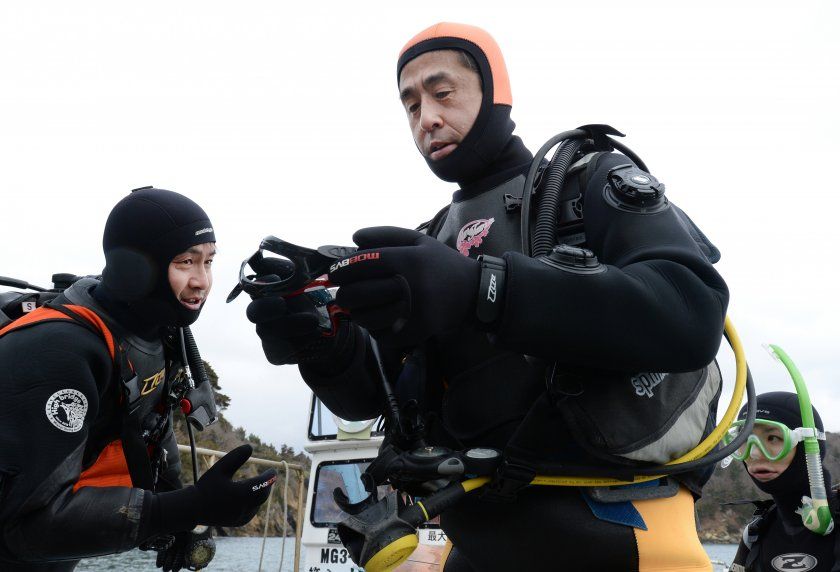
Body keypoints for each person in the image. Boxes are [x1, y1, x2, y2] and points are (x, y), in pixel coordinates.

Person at [248, 23, 730, 570]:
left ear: (496, 92)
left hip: (628, 539)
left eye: (442, 92)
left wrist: (484, 289)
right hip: (477, 547)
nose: (426, 118)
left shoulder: (585, 182)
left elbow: (691, 311)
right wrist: (322, 345)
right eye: (410, 105)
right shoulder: (435, 239)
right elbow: (374, 397)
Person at [0, 187, 276, 572]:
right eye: (185, 262)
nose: (201, 281)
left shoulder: (154, 335)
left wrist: (182, 516)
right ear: (136, 267)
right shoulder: (60, 352)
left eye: (208, 262)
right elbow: (21, 525)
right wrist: (183, 507)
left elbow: (152, 429)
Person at [727, 390, 836, 571]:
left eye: (773, 438)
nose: (754, 453)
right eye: (745, 439)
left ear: (807, 446)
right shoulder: (756, 533)